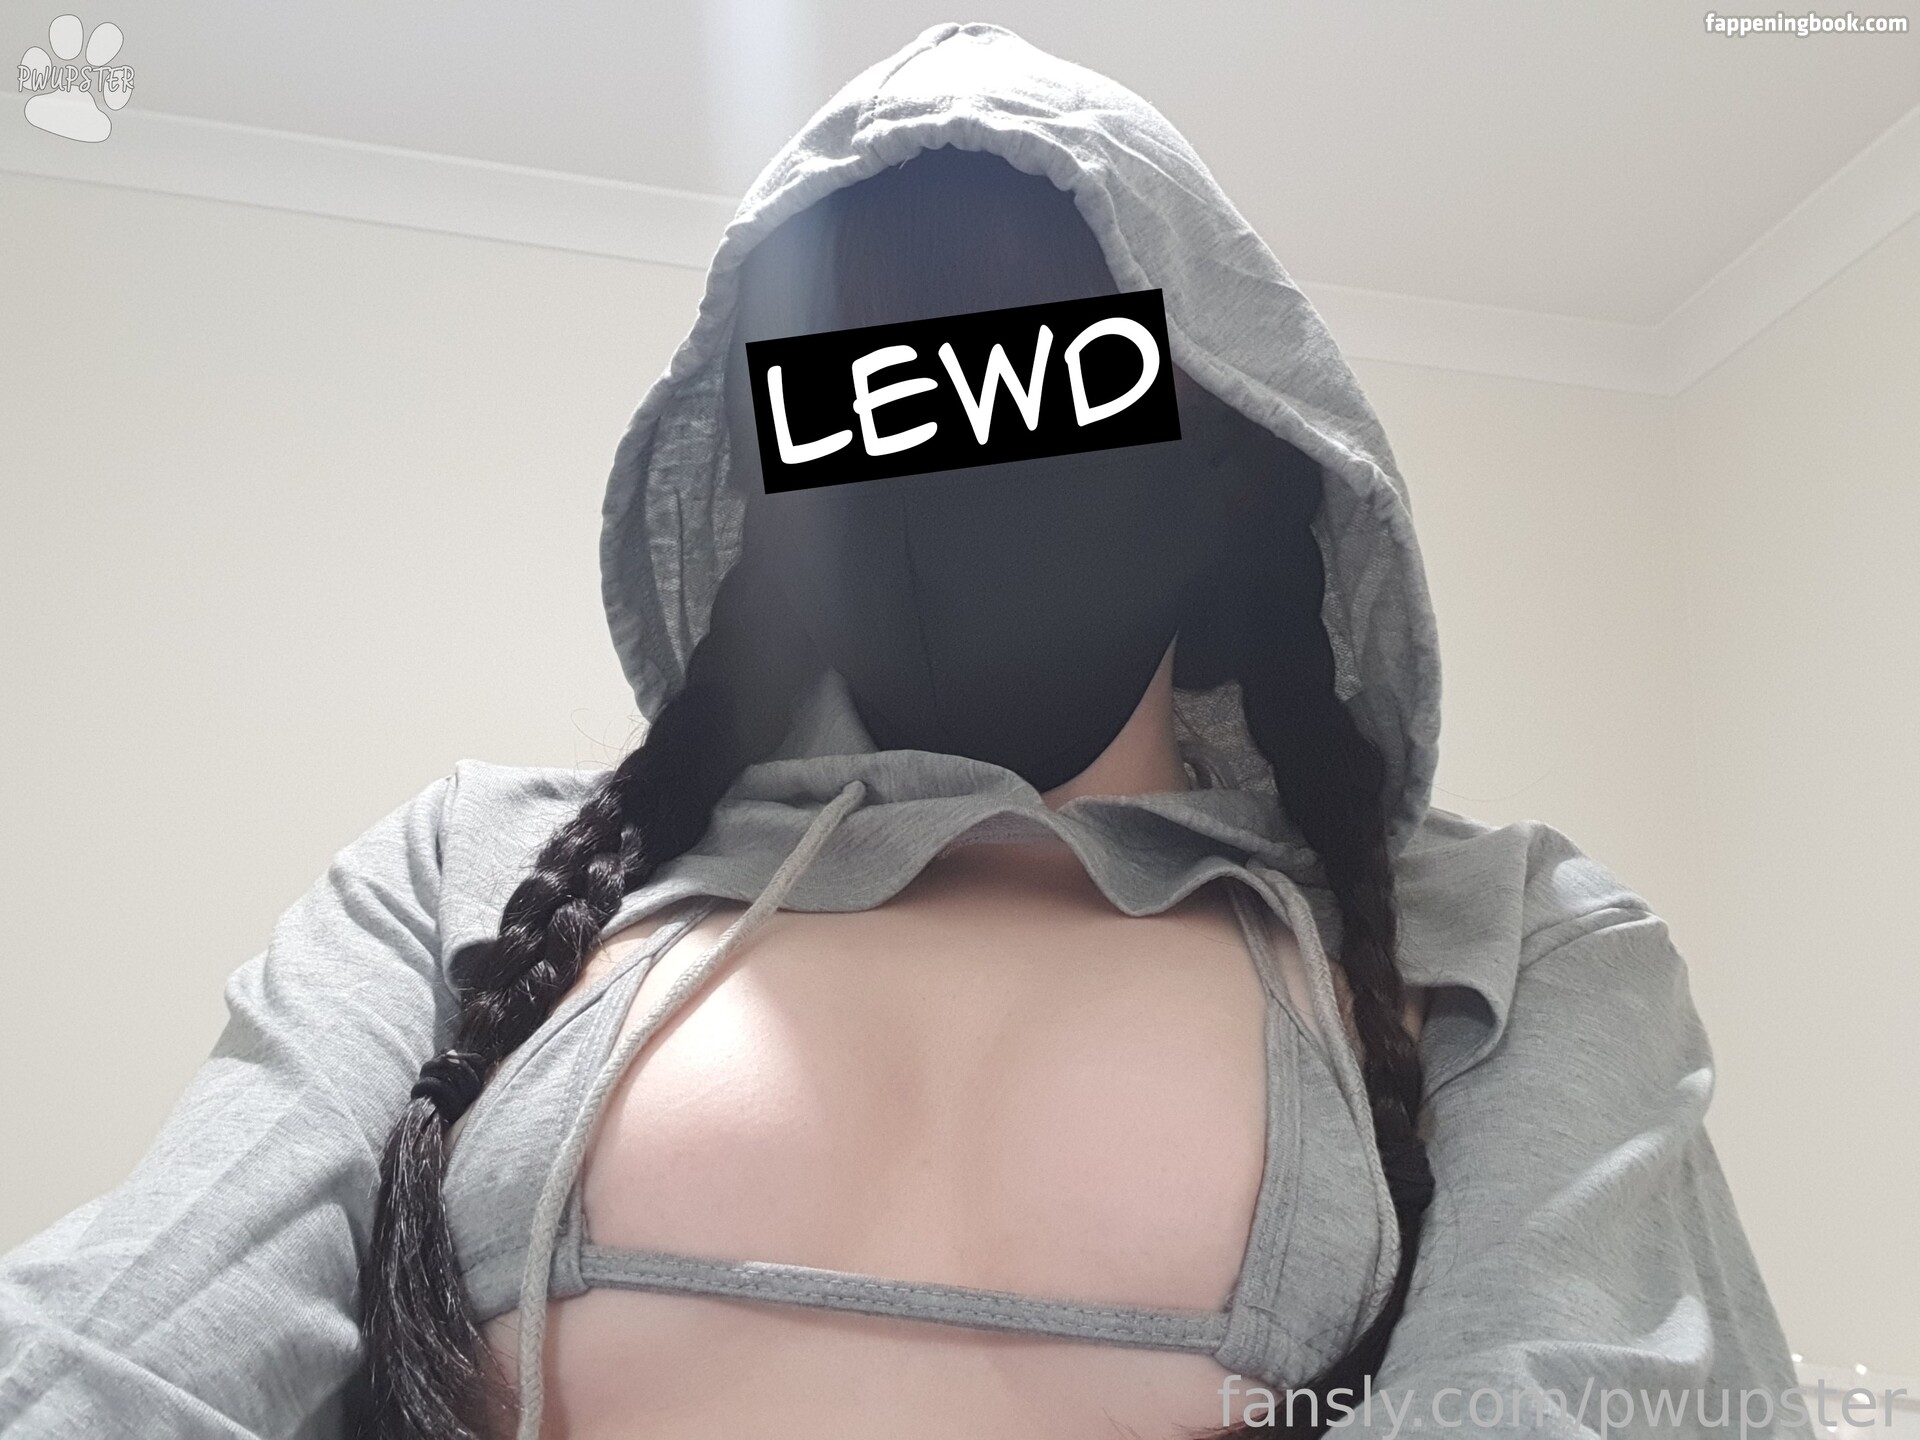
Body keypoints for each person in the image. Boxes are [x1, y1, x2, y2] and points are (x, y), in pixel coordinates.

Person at [0, 23, 1809, 1440]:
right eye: (865, 400)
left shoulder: (1518, 948)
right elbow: (123, 1347)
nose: (961, 473)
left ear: (1240, 471)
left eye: (1056, 382)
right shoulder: (458, 875)